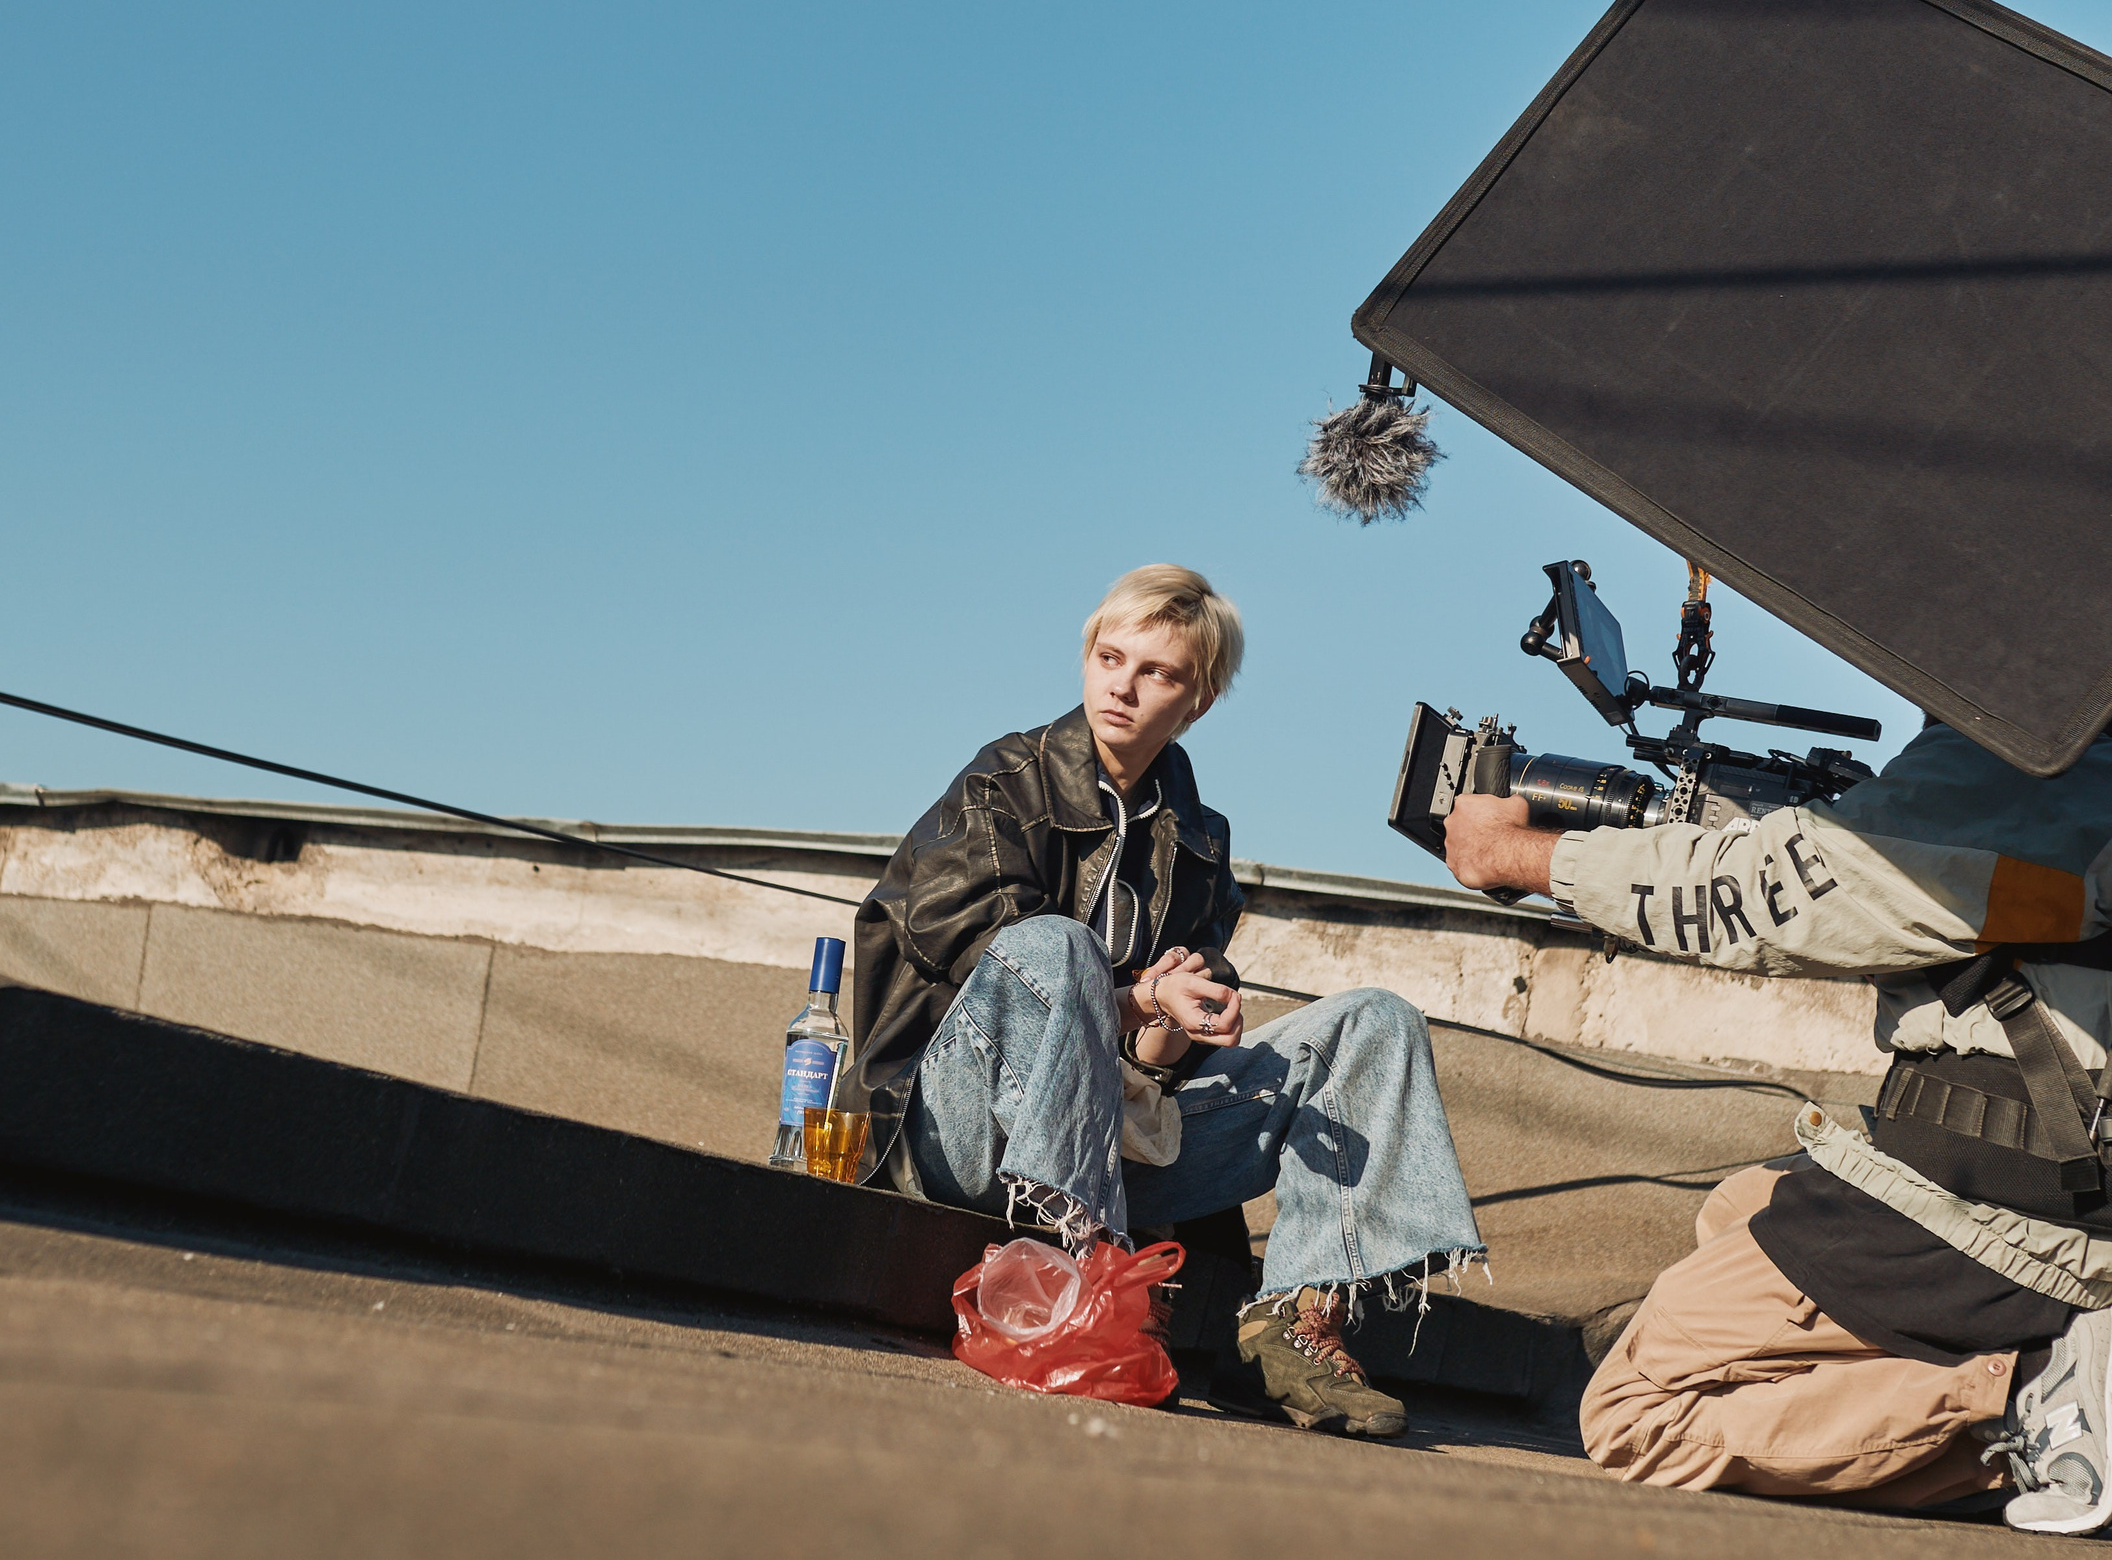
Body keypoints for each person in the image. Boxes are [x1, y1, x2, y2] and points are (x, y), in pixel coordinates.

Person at [835, 564, 1484, 1439]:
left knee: (1376, 1022)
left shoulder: (1200, 841)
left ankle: (1290, 1327)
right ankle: (1094, 1279)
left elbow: (1153, 1071)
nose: (1122, 685)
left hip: (1115, 1137)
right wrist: (1140, 994)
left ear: (1198, 700)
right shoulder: (1003, 784)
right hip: (957, 1124)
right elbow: (969, 960)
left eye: (1156, 672)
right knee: (1057, 944)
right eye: (1109, 657)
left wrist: (1175, 1027)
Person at [1444, 721, 2112, 1530]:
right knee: (1737, 1206)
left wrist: (1522, 855)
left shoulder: (2036, 754)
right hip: (2041, 1168)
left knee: (1633, 1414)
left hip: (2007, 1198)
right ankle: (1988, 1387)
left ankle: (2032, 1394)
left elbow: (1760, 893)